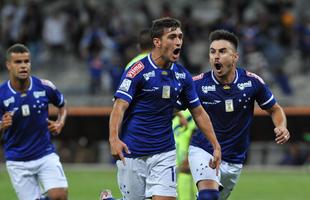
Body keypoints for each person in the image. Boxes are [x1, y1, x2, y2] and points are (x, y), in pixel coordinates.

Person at [109, 17, 221, 200]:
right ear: (157, 42)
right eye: (172, 37)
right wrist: (114, 139)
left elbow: (199, 112)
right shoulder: (137, 71)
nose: (178, 41)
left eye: (180, 36)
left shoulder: (182, 76)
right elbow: (119, 107)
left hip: (165, 152)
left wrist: (215, 145)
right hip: (133, 152)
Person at [184, 29, 290, 200]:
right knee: (208, 196)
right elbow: (171, 107)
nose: (216, 56)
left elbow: (274, 109)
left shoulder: (252, 82)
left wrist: (281, 126)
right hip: (204, 150)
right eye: (212, 52)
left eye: (222, 51)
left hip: (234, 158)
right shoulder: (197, 84)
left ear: (235, 57)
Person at [0, 44, 68, 200]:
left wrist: (60, 122)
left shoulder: (44, 86)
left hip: (44, 154)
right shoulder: (1, 95)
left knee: (60, 195)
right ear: (8, 65)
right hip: (17, 161)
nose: (23, 65)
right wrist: (1, 126)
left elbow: (62, 105)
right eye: (18, 62)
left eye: (26, 61)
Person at [172, 109, 197, 200]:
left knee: (199, 192)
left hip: (190, 159)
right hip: (177, 160)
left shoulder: (192, 111)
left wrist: (187, 158)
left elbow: (195, 135)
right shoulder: (176, 110)